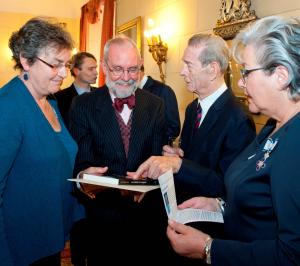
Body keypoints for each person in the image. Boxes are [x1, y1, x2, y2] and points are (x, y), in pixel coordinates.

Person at [166, 16, 300, 266]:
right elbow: (260, 205)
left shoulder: (295, 143)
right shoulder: (272, 126)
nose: (239, 82)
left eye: (246, 72)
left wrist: (208, 248)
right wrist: (219, 205)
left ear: (281, 75)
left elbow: (292, 255)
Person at [69, 35, 167, 265]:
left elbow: (156, 158)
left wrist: (152, 176)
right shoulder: (83, 105)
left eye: (133, 69)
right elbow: (80, 163)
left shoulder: (156, 105)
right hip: (102, 219)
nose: (126, 77)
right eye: (117, 69)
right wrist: (85, 177)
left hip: (145, 218)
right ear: (104, 67)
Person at [0, 17, 86, 266]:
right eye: (55, 64)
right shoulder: (8, 106)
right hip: (19, 248)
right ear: (26, 60)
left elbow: (54, 159)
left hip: (49, 236)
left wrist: (84, 174)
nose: (63, 73)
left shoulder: (51, 103)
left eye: (66, 64)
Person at [129, 33, 256, 202]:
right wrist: (177, 157)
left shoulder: (238, 119)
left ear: (213, 69)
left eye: (188, 65)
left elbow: (228, 187)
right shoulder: (192, 109)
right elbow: (196, 162)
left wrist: (180, 165)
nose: (182, 72)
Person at [139, 64, 181, 144]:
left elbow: (174, 128)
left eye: (131, 70)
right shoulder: (129, 92)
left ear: (138, 70)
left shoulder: (163, 90)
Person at [55, 51, 98, 127]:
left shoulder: (102, 95)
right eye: (91, 69)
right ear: (76, 71)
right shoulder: (59, 98)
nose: (96, 72)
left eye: (95, 68)